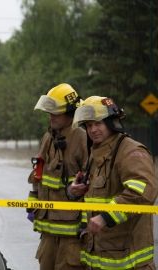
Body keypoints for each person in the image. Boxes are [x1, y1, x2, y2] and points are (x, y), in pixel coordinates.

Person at [69, 96, 158, 269]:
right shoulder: (95, 153)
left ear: (111, 122)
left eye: (98, 123)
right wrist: (74, 190)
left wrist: (105, 217)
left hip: (128, 262)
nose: (93, 130)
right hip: (99, 258)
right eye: (88, 125)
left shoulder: (131, 151)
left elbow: (144, 191)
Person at [27, 83, 88, 269]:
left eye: (55, 112)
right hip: (47, 232)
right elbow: (39, 175)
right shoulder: (49, 137)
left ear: (70, 112)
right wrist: (33, 202)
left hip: (72, 236)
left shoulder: (82, 137)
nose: (50, 116)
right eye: (49, 112)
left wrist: (86, 225)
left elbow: (92, 185)